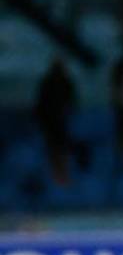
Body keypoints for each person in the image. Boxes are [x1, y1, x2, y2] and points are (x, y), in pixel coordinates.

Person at [35, 57, 76, 185]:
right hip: (59, 121)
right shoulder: (65, 81)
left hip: (53, 121)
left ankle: (58, 176)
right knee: (59, 150)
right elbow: (72, 103)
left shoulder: (48, 82)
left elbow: (40, 103)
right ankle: (60, 176)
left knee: (55, 150)